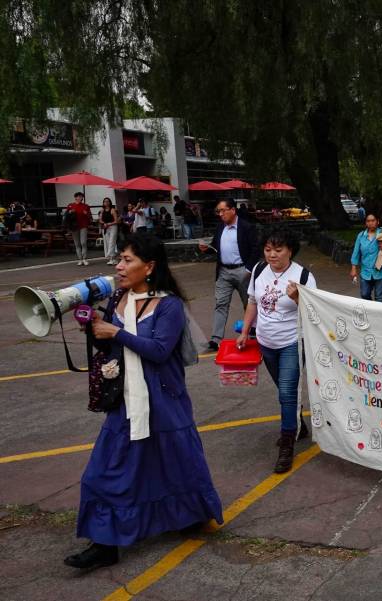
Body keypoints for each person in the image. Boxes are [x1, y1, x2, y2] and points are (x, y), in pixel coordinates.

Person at [64, 233, 223, 570]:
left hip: (164, 401)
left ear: (148, 267)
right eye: (120, 259)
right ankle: (104, 543)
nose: (119, 267)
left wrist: (116, 332)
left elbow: (160, 350)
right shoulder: (118, 298)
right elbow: (113, 348)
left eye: (127, 260)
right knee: (104, 471)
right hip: (127, 400)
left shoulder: (169, 305)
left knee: (176, 464)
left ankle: (189, 516)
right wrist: (95, 328)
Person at [237, 226, 317, 472]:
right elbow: (252, 302)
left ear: (290, 250)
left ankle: (287, 445)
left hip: (292, 342)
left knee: (286, 392)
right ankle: (298, 425)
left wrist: (297, 298)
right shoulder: (259, 270)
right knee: (284, 390)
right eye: (268, 249)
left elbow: (315, 313)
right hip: (266, 343)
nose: (272, 255)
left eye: (278, 250)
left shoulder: (303, 276)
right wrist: (245, 331)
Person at [199, 198, 260, 351]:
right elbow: (215, 246)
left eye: (222, 210)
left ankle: (253, 334)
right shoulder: (220, 227)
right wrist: (206, 248)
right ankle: (215, 340)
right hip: (223, 272)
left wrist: (249, 269)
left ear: (233, 210)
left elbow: (256, 248)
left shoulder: (247, 227)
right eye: (218, 211)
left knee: (249, 304)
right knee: (220, 304)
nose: (220, 214)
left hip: (243, 271)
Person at [350, 213, 382, 302]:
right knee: (364, 295)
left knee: (379, 298)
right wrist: (353, 268)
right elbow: (356, 253)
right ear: (366, 223)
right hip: (365, 272)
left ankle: (377, 310)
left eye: (373, 220)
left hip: (380, 271)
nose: (370, 223)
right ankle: (371, 308)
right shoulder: (361, 236)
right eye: (368, 221)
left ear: (377, 222)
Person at [65, 191, 93, 266]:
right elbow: (66, 216)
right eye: (78, 196)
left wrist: (86, 213)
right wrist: (70, 212)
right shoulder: (70, 205)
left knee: (83, 242)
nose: (80, 198)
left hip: (83, 226)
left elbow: (90, 217)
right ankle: (80, 259)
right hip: (74, 227)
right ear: (75, 197)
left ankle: (84, 259)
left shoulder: (86, 206)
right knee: (77, 244)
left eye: (81, 196)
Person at [98, 197, 119, 265]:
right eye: (105, 201)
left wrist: (109, 224)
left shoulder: (112, 210)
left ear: (110, 202)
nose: (106, 202)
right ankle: (112, 258)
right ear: (103, 203)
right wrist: (104, 223)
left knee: (112, 242)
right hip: (105, 227)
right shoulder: (102, 210)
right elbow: (100, 219)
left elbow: (116, 221)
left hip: (113, 227)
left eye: (107, 201)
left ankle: (111, 257)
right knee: (107, 242)